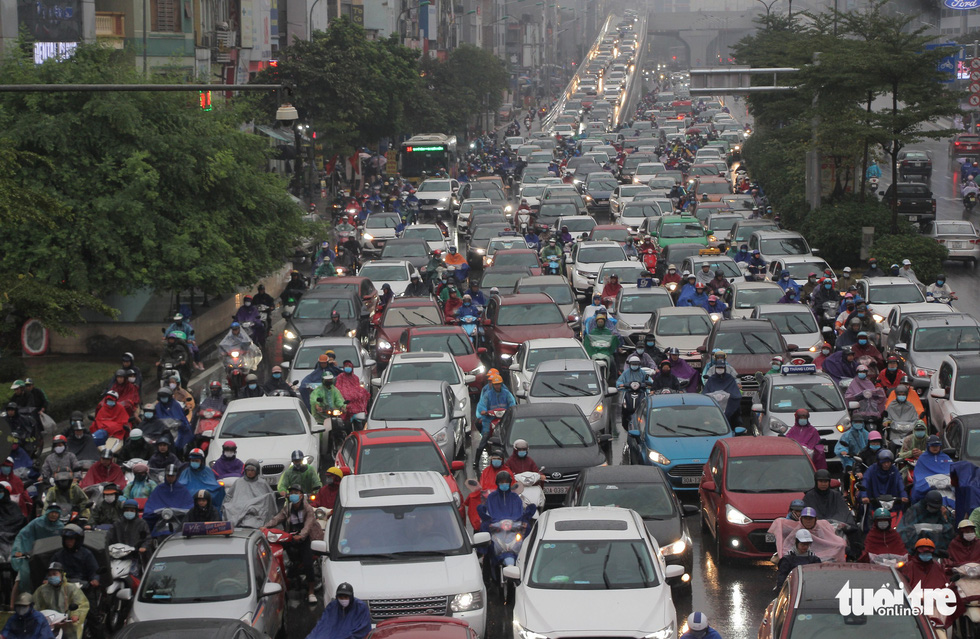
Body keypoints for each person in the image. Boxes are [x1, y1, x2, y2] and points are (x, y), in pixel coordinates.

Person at [264, 485, 323, 604]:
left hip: (305, 538)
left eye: (295, 492)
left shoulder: (308, 509)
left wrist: (301, 535)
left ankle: (311, 591)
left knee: (308, 563)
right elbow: (278, 518)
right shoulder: (288, 507)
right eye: (291, 493)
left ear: (301, 495)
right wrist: (266, 526)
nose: (293, 495)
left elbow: (308, 525)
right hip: (291, 536)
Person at [32, 562, 88, 639]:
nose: (52, 576)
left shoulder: (71, 588)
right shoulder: (42, 590)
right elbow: (35, 604)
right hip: (49, 623)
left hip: (68, 623)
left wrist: (76, 615)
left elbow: (81, 604)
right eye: (50, 574)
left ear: (62, 574)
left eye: (55, 574)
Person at [474, 375, 517, 467]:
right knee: (485, 437)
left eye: (498, 384)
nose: (497, 386)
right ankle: (476, 461)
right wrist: (483, 410)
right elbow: (482, 404)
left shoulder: (507, 393)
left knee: (512, 435)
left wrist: (511, 410)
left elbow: (512, 403)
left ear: (501, 384)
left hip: (504, 419)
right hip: (490, 419)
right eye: (495, 384)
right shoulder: (488, 394)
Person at [222, 459, 276, 528]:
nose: (250, 472)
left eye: (252, 470)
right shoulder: (238, 482)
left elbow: (270, 498)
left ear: (257, 471)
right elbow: (229, 496)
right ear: (245, 470)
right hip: (239, 508)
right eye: (248, 470)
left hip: (257, 510)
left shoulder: (262, 483)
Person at [306, 582, 372, 638]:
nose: (343, 600)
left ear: (351, 596)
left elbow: (363, 630)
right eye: (340, 597)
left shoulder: (360, 608)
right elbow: (322, 626)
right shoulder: (332, 607)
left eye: (346, 597)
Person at [143, 464, 193, 529]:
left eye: (172, 476)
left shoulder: (182, 490)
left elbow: (190, 506)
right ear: (165, 475)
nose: (170, 478)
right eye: (168, 475)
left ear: (176, 476)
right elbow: (150, 507)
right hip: (160, 524)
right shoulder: (159, 489)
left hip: (179, 525)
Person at [51, 525, 99, 590]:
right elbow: (51, 570)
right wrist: (47, 579)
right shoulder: (58, 555)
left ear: (77, 540)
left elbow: (94, 571)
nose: (68, 542)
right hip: (62, 587)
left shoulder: (87, 554)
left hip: (82, 587)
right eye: (66, 539)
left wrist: (95, 579)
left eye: (71, 539)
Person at [702, 361, 741, 427]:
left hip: (728, 404)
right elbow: (705, 393)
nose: (720, 369)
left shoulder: (730, 378)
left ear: (725, 368)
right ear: (715, 368)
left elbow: (736, 394)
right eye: (718, 367)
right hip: (713, 405)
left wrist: (727, 396)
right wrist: (714, 395)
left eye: (721, 367)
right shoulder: (711, 379)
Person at [154, 387, 192, 453]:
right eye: (162, 397)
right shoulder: (158, 407)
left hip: (176, 431)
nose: (163, 398)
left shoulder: (175, 405)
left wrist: (176, 424)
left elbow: (182, 420)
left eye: (165, 396)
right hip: (162, 432)